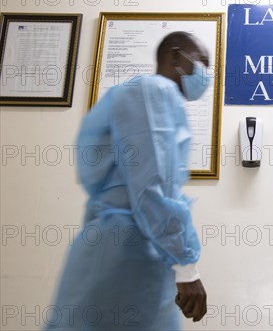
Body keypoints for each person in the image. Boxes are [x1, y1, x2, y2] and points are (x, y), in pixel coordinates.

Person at [46, 31, 211, 330]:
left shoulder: (158, 99)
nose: (205, 74)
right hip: (125, 249)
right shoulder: (153, 92)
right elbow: (153, 187)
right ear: (175, 56)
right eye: (202, 62)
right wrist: (187, 267)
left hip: (138, 246)